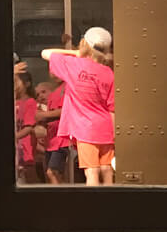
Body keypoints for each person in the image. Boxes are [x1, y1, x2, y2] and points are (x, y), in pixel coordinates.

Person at [40, 27, 116, 186]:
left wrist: (77, 53)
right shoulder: (108, 72)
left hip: (85, 128)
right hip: (106, 127)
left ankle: (94, 208)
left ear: (84, 44)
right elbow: (112, 107)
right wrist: (114, 134)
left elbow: (45, 53)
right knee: (107, 169)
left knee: (91, 171)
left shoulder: (74, 65)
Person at [34, 79, 67, 185]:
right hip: (50, 143)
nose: (40, 96)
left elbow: (64, 112)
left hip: (60, 141)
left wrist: (43, 115)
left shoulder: (61, 95)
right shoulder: (44, 107)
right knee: (50, 174)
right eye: (38, 94)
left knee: (52, 172)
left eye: (44, 92)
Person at [13, 69, 39, 184]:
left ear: (27, 84)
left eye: (16, 81)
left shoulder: (30, 102)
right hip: (16, 146)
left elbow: (28, 127)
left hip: (24, 147)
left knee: (28, 176)